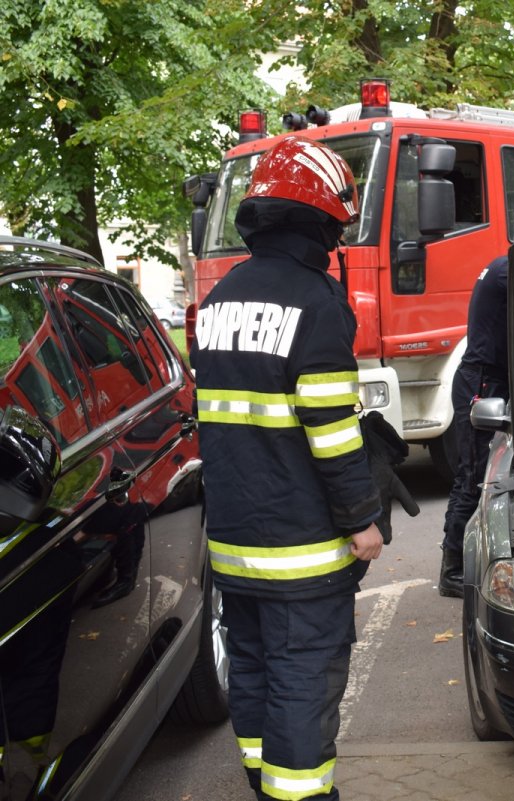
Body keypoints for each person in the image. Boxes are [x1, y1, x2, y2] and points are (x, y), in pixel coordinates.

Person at [191, 135, 383, 801]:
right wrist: (362, 520)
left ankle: (262, 780)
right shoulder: (317, 302)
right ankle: (300, 794)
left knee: (252, 667)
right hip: (303, 551)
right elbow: (329, 433)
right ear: (322, 219)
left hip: (234, 546)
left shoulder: (219, 303)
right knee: (304, 673)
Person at [439, 254, 509, 598]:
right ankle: (451, 570)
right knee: (472, 477)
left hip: (486, 380)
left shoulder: (501, 266)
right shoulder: (509, 271)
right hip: (481, 384)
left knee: (489, 474)